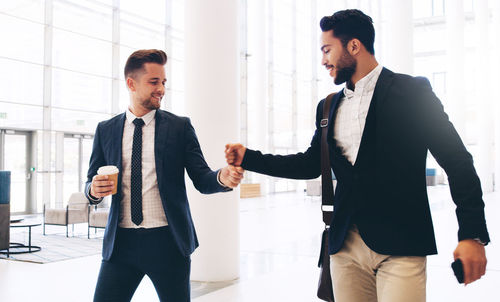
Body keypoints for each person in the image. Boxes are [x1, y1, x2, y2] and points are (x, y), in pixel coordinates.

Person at [225, 9, 489, 302]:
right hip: (344, 248)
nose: (323, 60)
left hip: (401, 245)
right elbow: (310, 163)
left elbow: (457, 160)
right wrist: (249, 157)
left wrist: (472, 234)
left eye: (327, 50)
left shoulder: (413, 92)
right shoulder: (328, 107)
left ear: (354, 46)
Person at [85, 49, 244, 302]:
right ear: (131, 83)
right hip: (120, 245)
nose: (161, 89)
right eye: (154, 82)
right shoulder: (106, 130)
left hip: (168, 243)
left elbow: (201, 178)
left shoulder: (179, 127)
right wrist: (93, 191)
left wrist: (223, 178)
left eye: (163, 82)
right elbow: (90, 182)